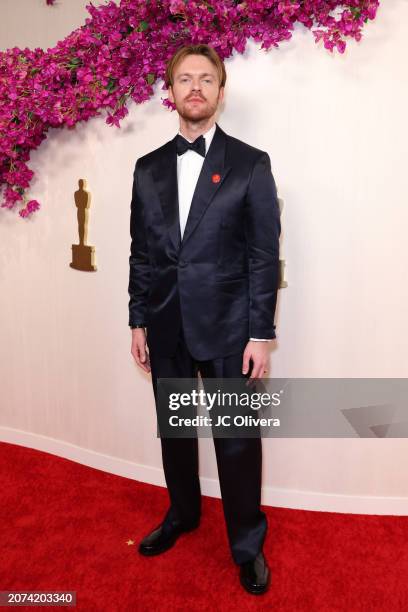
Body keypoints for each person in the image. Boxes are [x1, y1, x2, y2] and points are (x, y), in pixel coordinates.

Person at [128, 43, 281, 595]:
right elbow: (141, 253)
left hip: (231, 330)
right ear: (169, 92)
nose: (195, 87)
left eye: (206, 78)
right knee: (175, 433)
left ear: (220, 90)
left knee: (237, 440)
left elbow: (265, 256)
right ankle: (182, 514)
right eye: (184, 78)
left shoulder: (250, 163)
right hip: (165, 325)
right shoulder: (146, 169)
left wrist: (261, 334)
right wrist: (137, 320)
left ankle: (247, 543)